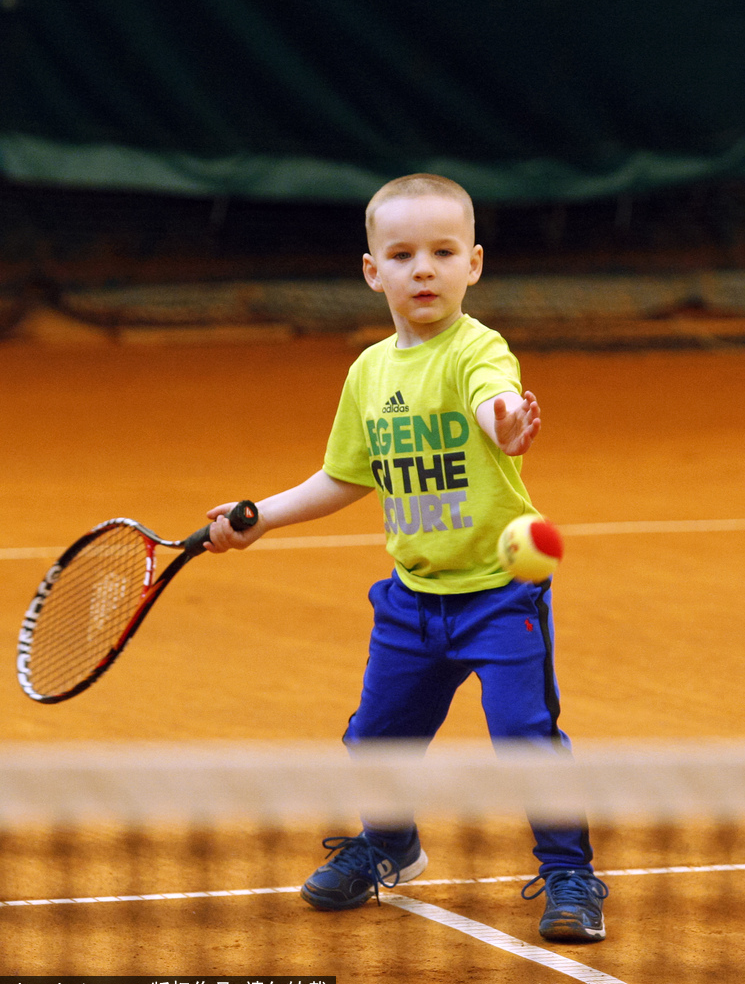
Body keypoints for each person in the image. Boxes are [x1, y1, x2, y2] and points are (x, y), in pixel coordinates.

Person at [204, 173, 609, 943]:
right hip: (412, 600)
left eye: (442, 251)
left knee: (524, 737)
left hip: (499, 594)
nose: (422, 268)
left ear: (474, 265)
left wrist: (508, 426)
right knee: (373, 741)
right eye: (402, 254)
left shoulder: (477, 351)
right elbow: (341, 477)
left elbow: (495, 403)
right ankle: (389, 846)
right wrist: (260, 517)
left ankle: (569, 873)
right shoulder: (368, 373)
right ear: (372, 271)